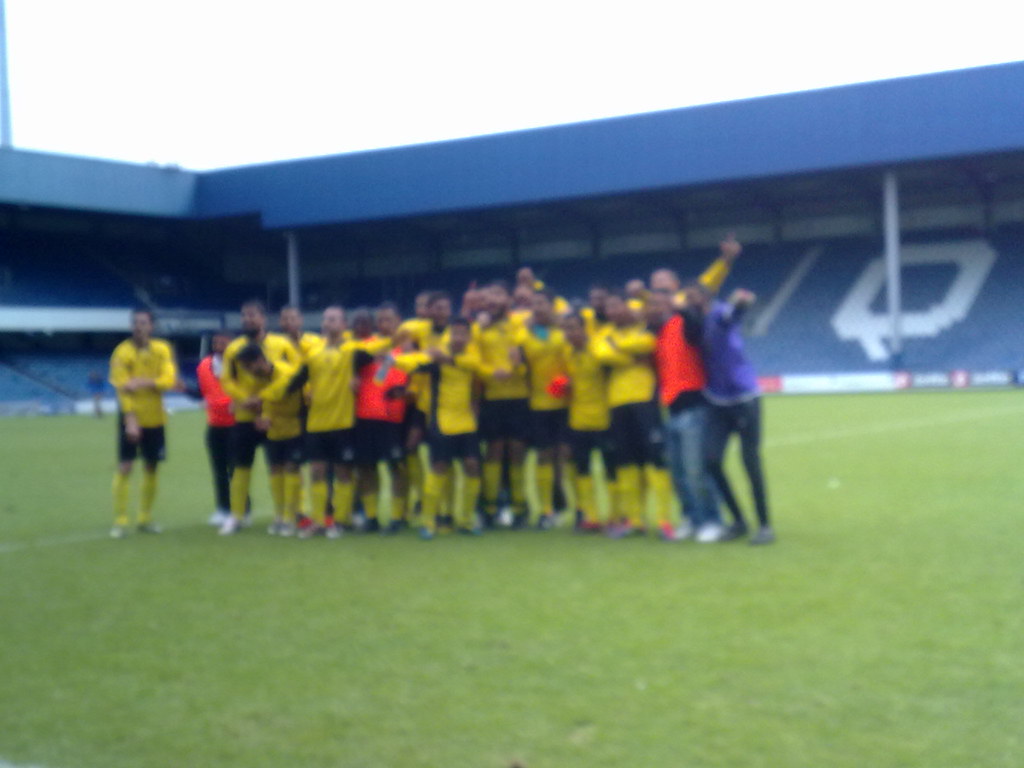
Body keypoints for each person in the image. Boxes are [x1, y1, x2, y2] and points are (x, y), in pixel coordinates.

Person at [688, 285, 775, 545]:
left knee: (750, 461)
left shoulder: (719, 313)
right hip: (716, 399)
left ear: (704, 298)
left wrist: (740, 302)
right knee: (711, 461)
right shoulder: (696, 324)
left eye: (692, 297)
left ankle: (765, 526)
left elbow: (734, 312)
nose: (688, 301)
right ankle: (738, 520)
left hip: (744, 397)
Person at [286, 305, 376, 538]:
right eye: (326, 319)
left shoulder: (353, 350)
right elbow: (296, 381)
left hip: (343, 423)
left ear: (344, 325)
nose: (329, 323)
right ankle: (319, 521)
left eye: (334, 319)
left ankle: (340, 520)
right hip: (316, 423)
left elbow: (375, 363)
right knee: (316, 471)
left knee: (343, 473)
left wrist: (357, 378)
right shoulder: (314, 353)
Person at [592, 292, 675, 538]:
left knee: (655, 459)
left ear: (628, 307)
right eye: (609, 308)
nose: (614, 312)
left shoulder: (644, 327)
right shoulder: (602, 334)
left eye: (617, 305)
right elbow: (601, 354)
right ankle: (635, 520)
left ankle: (664, 520)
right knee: (626, 462)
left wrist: (618, 350)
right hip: (617, 402)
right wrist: (631, 356)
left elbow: (648, 344)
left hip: (645, 400)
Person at [647, 288, 725, 542]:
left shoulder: (685, 322)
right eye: (652, 304)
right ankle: (692, 518)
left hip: (695, 407)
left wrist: (680, 307)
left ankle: (712, 521)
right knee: (678, 472)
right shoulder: (658, 333)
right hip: (671, 410)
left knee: (695, 470)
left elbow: (696, 329)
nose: (655, 308)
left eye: (660, 303)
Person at [395, 317, 484, 539]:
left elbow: (474, 367)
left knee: (472, 466)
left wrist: (446, 359)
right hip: (441, 420)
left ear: (469, 337)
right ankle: (428, 521)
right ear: (449, 334)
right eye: (455, 333)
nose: (459, 337)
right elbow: (414, 362)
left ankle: (465, 520)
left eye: (463, 334)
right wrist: (393, 358)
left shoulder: (472, 356)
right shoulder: (435, 355)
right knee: (439, 468)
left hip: (466, 420)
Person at [219, 300, 302, 535]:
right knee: (240, 466)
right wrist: (246, 399)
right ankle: (237, 516)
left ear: (263, 318)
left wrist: (264, 401)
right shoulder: (234, 349)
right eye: (244, 316)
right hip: (246, 415)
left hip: (276, 416)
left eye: (253, 315)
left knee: (282, 466)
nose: (248, 319)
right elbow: (227, 380)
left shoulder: (282, 344)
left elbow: (296, 373)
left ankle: (289, 514)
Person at [107, 308, 178, 538]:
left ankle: (145, 518)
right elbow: (122, 387)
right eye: (136, 323)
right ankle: (120, 520)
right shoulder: (121, 352)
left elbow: (168, 380)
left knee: (151, 466)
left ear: (152, 326)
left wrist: (141, 382)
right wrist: (130, 419)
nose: (139, 326)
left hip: (155, 417)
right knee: (126, 466)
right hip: (131, 418)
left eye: (144, 322)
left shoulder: (162, 349)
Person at [473, 281, 530, 527]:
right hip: (492, 398)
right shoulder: (477, 329)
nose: (492, 300)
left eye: (497, 295)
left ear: (508, 299)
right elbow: (475, 360)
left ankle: (519, 507)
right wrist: (489, 373)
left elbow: (524, 342)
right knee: (494, 450)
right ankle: (490, 506)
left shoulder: (519, 323)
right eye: (487, 297)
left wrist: (516, 364)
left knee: (517, 451)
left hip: (519, 396)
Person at [233, 344, 304, 536]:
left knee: (291, 468)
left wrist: (253, 402)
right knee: (275, 469)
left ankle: (291, 517)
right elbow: (263, 402)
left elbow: (277, 391)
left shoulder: (285, 371)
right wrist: (261, 415)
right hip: (273, 428)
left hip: (294, 426)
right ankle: (280, 515)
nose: (248, 372)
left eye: (249, 367)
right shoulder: (259, 377)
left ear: (259, 361)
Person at [516, 288, 570, 528]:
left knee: (563, 456)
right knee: (544, 456)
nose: (538, 307)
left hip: (565, 403)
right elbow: (521, 370)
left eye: (542, 303)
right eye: (534, 304)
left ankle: (567, 505)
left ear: (552, 306)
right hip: (538, 404)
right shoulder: (524, 336)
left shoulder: (564, 332)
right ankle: (546, 510)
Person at [561, 312, 613, 531]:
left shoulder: (598, 350)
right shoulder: (568, 354)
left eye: (574, 328)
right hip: (578, 420)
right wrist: (563, 385)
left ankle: (615, 515)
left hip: (604, 418)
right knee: (582, 469)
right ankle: (589, 516)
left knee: (611, 469)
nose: (571, 333)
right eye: (567, 329)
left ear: (584, 329)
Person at [196, 331, 235, 527]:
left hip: (236, 424)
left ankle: (241, 508)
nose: (218, 344)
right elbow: (203, 392)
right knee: (218, 469)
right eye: (215, 341)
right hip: (215, 424)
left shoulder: (239, 364)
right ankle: (222, 508)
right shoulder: (204, 365)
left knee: (236, 470)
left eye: (223, 341)